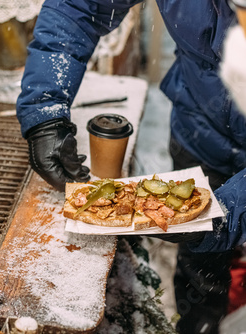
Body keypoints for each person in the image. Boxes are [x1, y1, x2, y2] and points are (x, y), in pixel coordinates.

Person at [16, 1, 246, 333]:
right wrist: (44, 108)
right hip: (201, 129)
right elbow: (79, 5)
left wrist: (230, 210)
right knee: (201, 277)